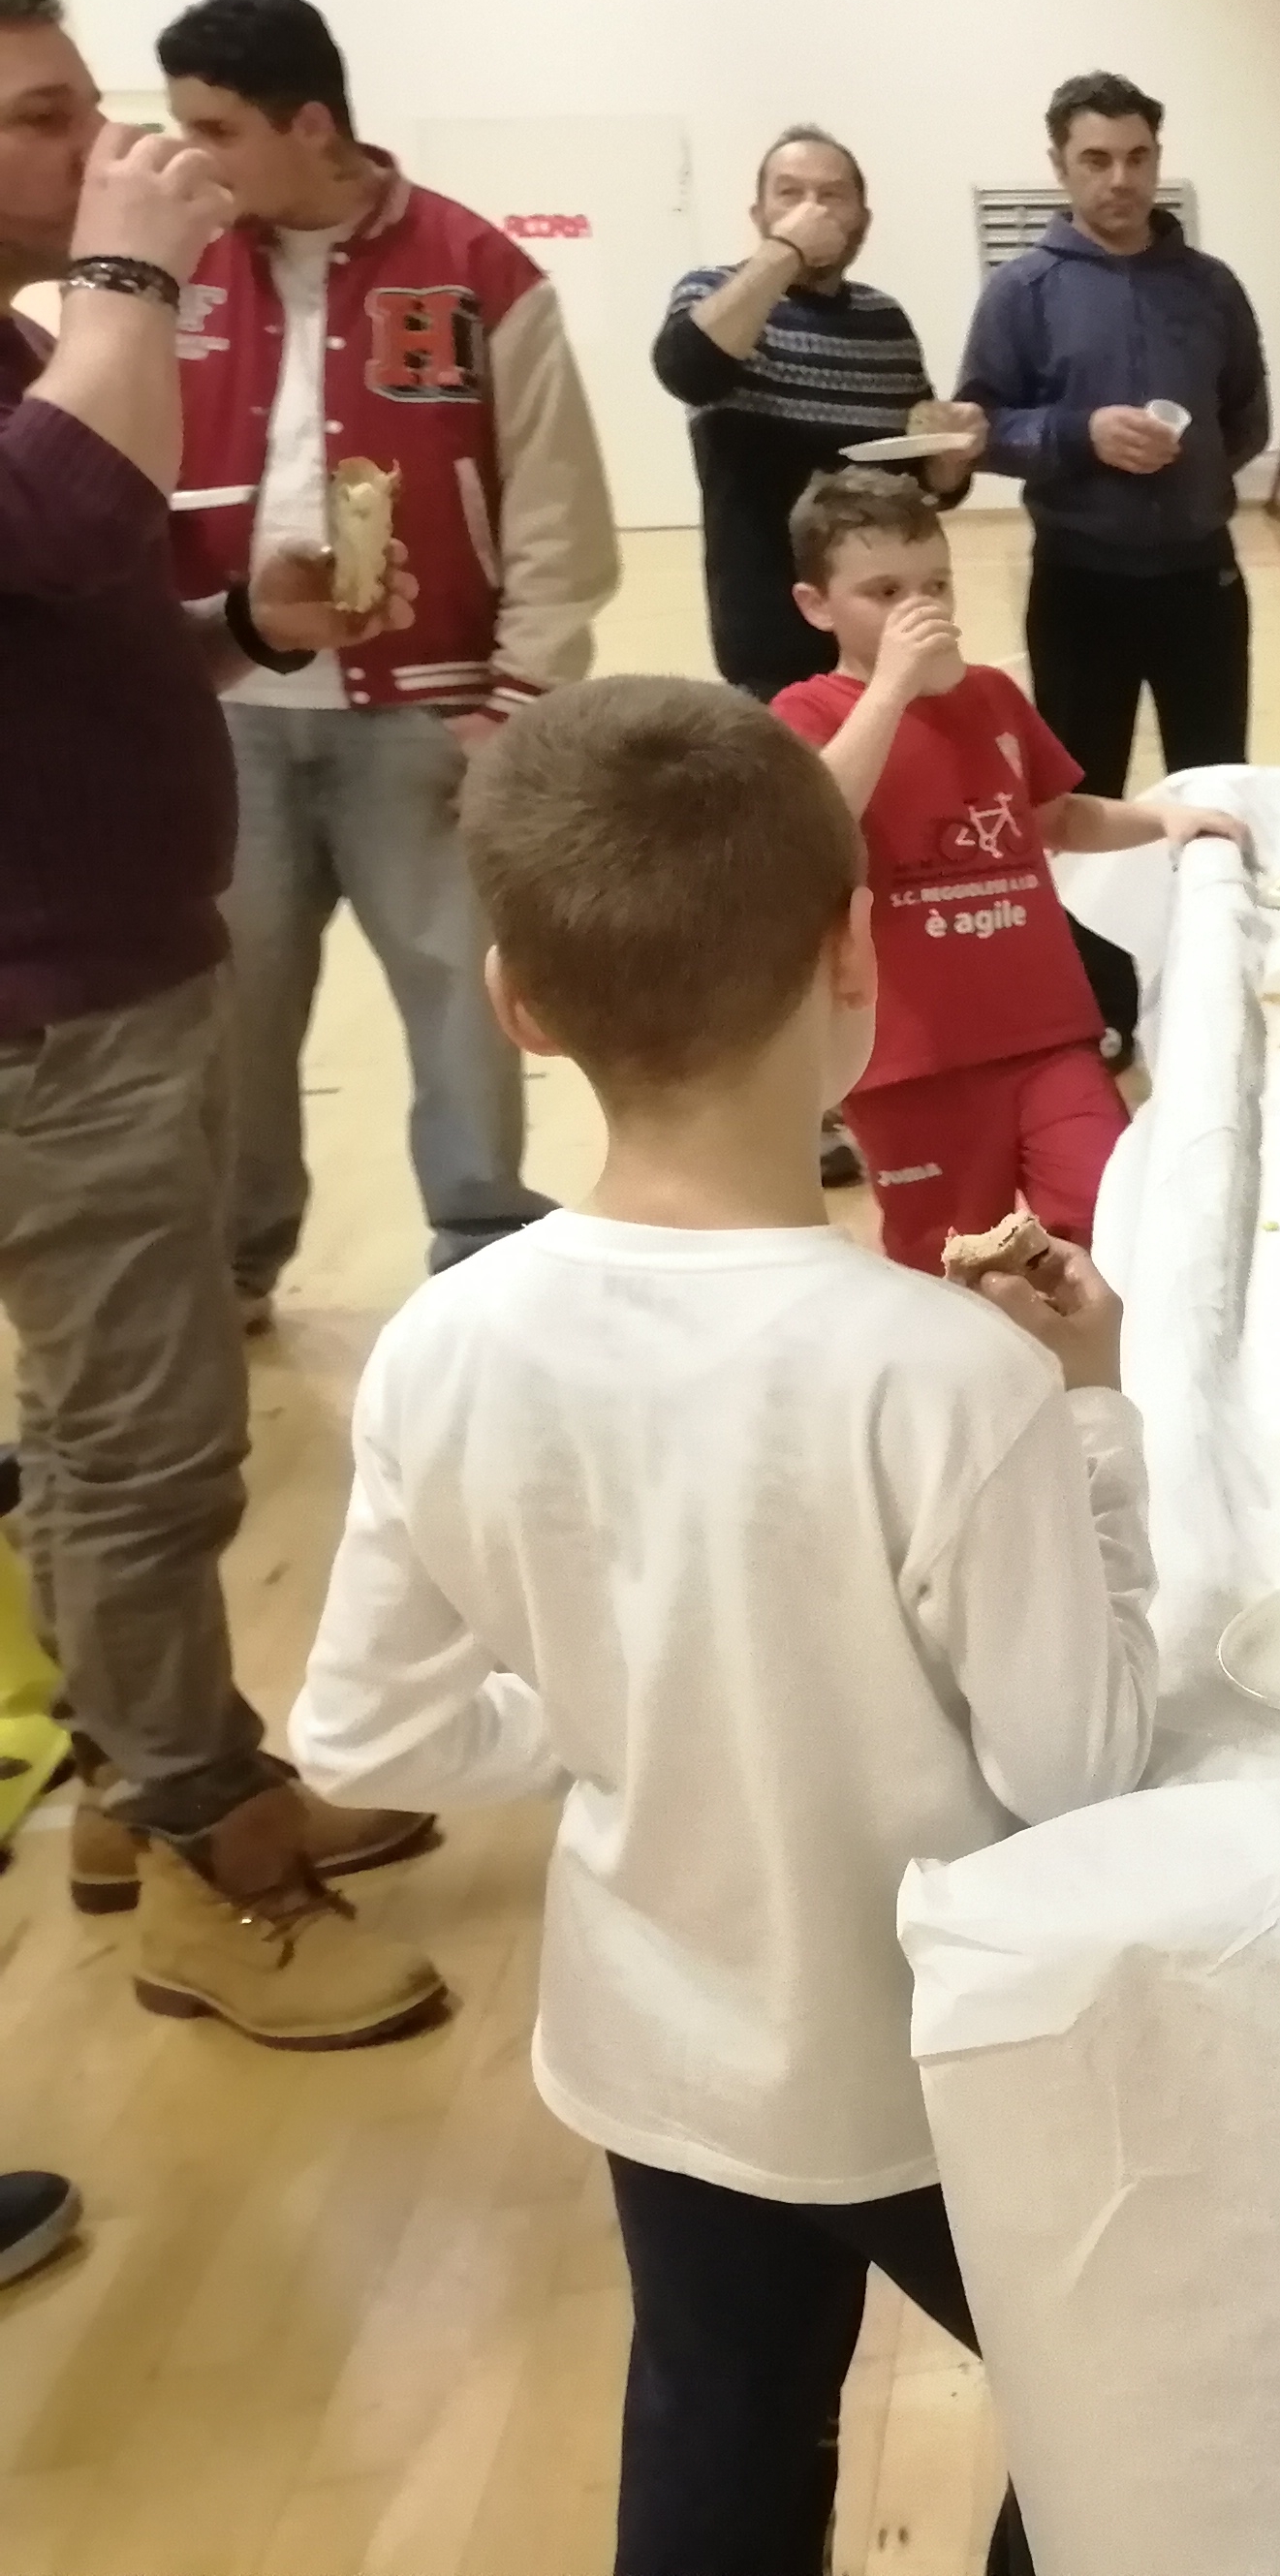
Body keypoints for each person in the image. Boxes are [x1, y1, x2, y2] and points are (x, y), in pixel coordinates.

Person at [291, 672, 1160, 2576]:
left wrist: (609, 1710)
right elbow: (1081, 1768)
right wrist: (1091, 1417)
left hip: (662, 2048)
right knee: (1140, 2411)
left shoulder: (442, 1343)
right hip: (933, 2057)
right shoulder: (948, 1377)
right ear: (858, 956)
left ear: (517, 1005)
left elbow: (363, 1737)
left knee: (719, 2422)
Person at [0, 0, 449, 2053]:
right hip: (50, 1004)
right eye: (41, 119)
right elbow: (61, 517)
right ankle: (204, 1853)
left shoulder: (26, 348)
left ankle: (156, 1774)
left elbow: (69, 617)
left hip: (114, 965)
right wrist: (130, 275)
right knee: (145, 1449)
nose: (104, 149)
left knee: (122, 1432)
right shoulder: (79, 323)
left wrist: (236, 628)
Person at [160, 0, 617, 1323]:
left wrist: (515, 707)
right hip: (224, 705)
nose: (191, 158)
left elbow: (556, 510)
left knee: (460, 995)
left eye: (216, 130)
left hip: (427, 717)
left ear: (311, 124)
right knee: (233, 1002)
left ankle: (479, 1242)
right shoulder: (180, 266)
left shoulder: (479, 271)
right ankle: (235, 1257)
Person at [770, 471, 1245, 1275]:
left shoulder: (990, 696)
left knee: (1112, 1212)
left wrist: (1161, 818)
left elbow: (1056, 817)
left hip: (1047, 1036)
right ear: (817, 607)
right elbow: (815, 822)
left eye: (935, 585)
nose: (919, 609)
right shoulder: (807, 713)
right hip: (909, 1064)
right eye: (884, 592)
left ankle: (1104, 1350)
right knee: (952, 1258)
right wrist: (891, 689)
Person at [954, 70, 1268, 1042]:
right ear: (1059, 166)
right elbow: (978, 427)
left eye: (1137, 157)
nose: (1119, 179)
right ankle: (1095, 1010)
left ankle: (1217, 996)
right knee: (1075, 807)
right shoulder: (1021, 292)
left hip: (1202, 581)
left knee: (1215, 793)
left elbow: (1245, 419)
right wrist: (1079, 437)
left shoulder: (1211, 288)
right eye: (1095, 160)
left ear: (1158, 160)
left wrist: (1188, 475)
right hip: (1080, 586)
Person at [653, 124, 985, 701]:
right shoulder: (713, 292)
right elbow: (688, 370)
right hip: (768, 635)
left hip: (890, 630)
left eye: (832, 195)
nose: (812, 209)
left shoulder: (884, 320)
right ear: (759, 214)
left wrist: (949, 463)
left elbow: (915, 481)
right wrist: (785, 252)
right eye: (790, 194)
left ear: (863, 220)